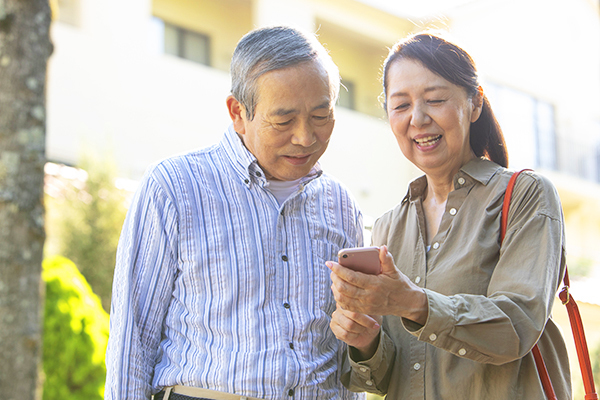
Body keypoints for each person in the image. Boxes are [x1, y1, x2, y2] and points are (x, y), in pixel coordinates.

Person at [104, 26, 366, 400]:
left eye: (321, 115)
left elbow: (344, 349)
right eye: (284, 120)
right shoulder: (174, 187)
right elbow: (133, 334)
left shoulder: (341, 206)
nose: (306, 137)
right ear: (238, 112)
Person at [327, 32, 571, 399]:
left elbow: (516, 327)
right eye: (401, 105)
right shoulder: (387, 227)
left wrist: (413, 302)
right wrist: (366, 342)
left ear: (474, 104)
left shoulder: (524, 195)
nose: (418, 119)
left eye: (435, 100)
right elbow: (378, 381)